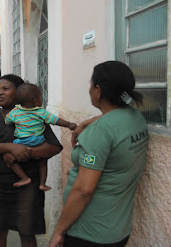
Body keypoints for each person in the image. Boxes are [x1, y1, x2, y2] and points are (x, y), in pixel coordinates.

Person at [49, 61, 148, 247]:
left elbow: (84, 191)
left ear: (98, 90)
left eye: (90, 85)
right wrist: (87, 122)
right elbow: (113, 119)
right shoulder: (135, 118)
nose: (88, 90)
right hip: (118, 230)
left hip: (89, 233)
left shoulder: (100, 132)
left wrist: (58, 230)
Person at [0, 74, 63, 247]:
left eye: (5, 89)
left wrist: (27, 152)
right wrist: (10, 148)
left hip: (29, 185)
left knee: (27, 234)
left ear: (20, 93)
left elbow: (53, 147)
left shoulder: (34, 116)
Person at [5, 83, 77, 190]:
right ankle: (42, 183)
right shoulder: (41, 112)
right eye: (41, 98)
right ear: (35, 101)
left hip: (21, 142)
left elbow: (7, 121)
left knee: (9, 159)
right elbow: (56, 121)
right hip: (38, 141)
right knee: (43, 161)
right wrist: (69, 124)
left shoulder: (15, 112)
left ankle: (24, 178)